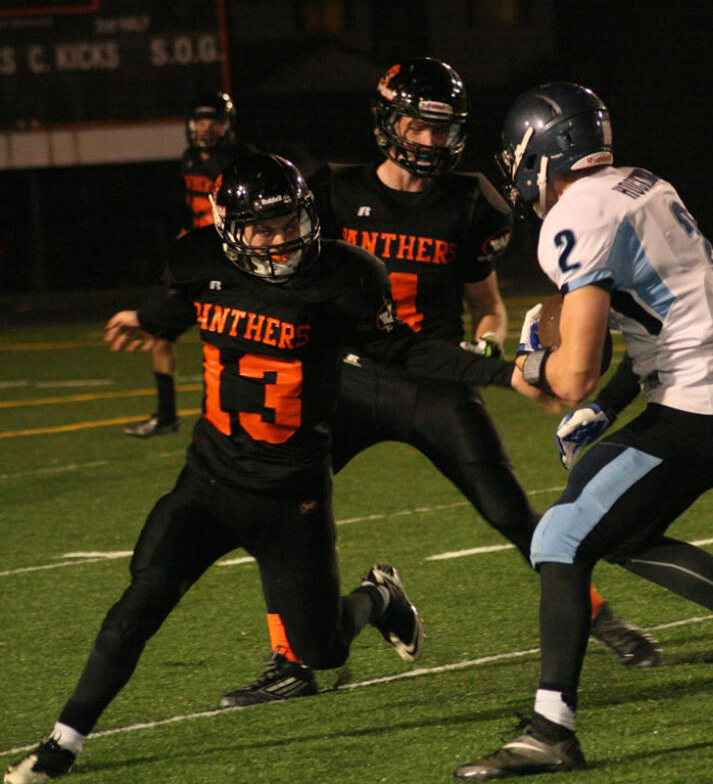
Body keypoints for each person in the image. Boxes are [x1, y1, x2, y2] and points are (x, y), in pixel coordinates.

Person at [4, 153, 554, 784]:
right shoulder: (201, 260)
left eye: (287, 222)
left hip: (292, 498)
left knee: (322, 651)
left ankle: (378, 597)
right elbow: (182, 306)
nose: (279, 239)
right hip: (208, 484)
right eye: (261, 229)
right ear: (228, 227)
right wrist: (145, 319)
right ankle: (61, 745)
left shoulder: (345, 276)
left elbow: (401, 350)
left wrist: (504, 372)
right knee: (140, 603)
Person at [217, 59, 660, 710]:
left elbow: (488, 303)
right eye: (417, 125)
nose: (429, 141)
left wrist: (485, 339)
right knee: (274, 504)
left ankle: (600, 618)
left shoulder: (473, 202)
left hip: (433, 382)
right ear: (387, 120)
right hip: (344, 380)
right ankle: (290, 657)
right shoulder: (332, 194)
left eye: (442, 128)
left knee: (512, 513)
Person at [454, 82, 713, 780]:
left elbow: (574, 375)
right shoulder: (641, 184)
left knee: (558, 538)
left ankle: (550, 731)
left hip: (693, 410)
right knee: (615, 527)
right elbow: (654, 316)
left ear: (538, 149)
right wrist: (603, 397)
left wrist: (531, 362)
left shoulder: (577, 213)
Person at [125, 92, 253, 438]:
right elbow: (191, 206)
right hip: (196, 259)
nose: (205, 126)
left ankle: (234, 417)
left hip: (226, 263)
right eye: (200, 119)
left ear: (227, 125)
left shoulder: (240, 160)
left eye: (213, 119)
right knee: (159, 333)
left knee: (228, 340)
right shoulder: (189, 159)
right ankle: (166, 416)